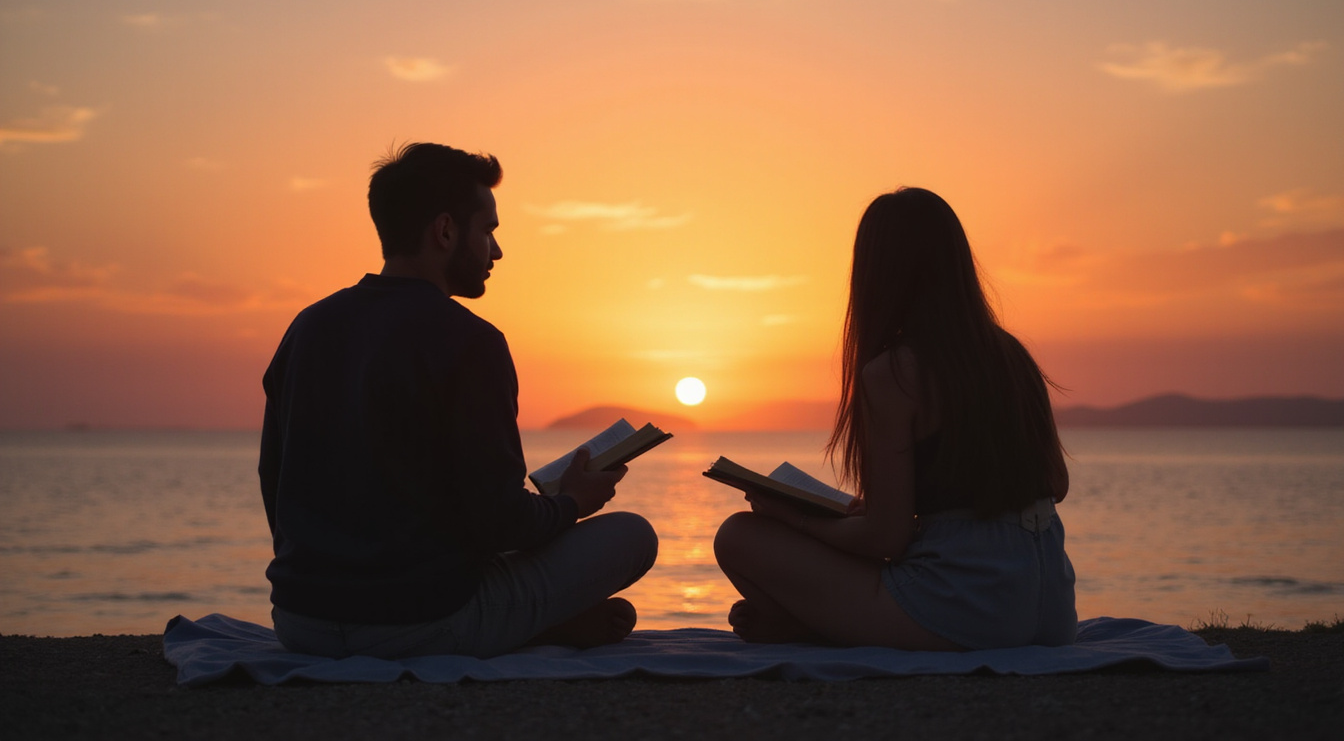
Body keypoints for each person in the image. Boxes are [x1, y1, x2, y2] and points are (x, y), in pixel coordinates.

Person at [259, 142, 657, 659]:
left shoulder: (307, 326)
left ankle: (539, 624)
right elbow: (500, 523)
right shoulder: (471, 342)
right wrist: (572, 503)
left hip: (300, 621)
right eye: (488, 231)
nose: (496, 251)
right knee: (633, 536)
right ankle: (534, 628)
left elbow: (275, 478)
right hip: (422, 624)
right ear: (445, 231)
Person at [714, 187, 1075, 650]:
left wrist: (796, 521)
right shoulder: (1011, 356)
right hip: (1052, 612)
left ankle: (807, 627)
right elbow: (1056, 485)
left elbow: (887, 536)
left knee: (739, 536)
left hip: (963, 610)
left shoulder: (894, 372)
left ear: (876, 275)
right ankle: (808, 626)